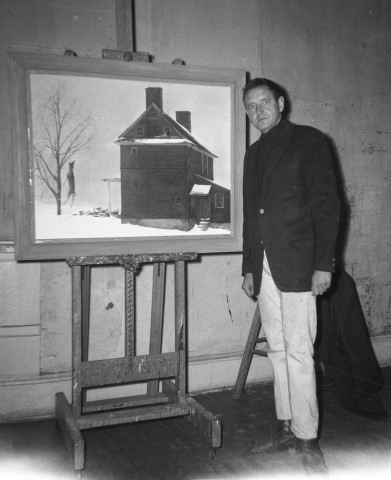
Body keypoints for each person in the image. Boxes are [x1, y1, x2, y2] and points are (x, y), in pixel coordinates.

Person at [241, 78, 340, 474]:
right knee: (278, 349)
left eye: (264, 102)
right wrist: (248, 266)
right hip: (264, 266)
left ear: (281, 102)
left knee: (300, 351)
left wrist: (324, 264)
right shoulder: (252, 155)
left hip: (300, 264)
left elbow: (328, 206)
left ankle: (307, 438)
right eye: (251, 106)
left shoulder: (310, 141)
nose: (258, 110)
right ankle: (286, 428)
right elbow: (252, 216)